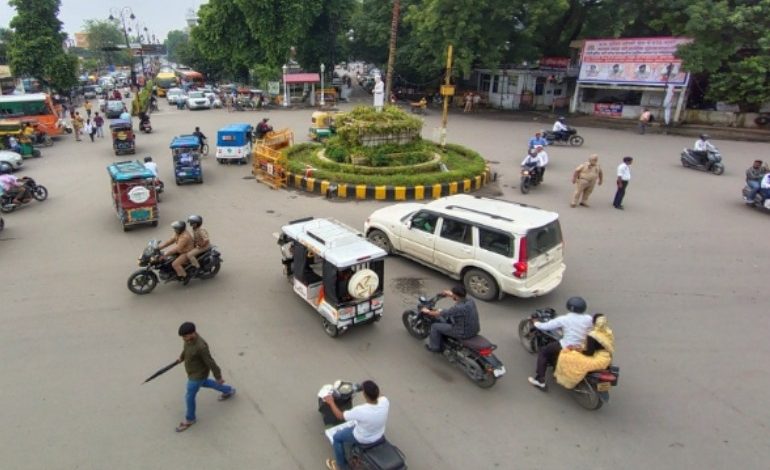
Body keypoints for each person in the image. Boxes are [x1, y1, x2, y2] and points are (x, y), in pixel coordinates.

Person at [174, 322, 235, 433]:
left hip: (197, 375)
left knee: (189, 396)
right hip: (193, 373)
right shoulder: (188, 340)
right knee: (205, 383)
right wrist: (181, 357)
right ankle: (228, 390)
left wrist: (218, 377)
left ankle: (190, 419)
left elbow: (210, 362)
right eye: (183, 337)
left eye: (185, 336)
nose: (184, 339)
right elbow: (186, 349)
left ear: (192, 333)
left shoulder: (201, 347)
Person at [322, 380, 389, 470]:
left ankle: (341, 466)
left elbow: (340, 416)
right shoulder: (385, 401)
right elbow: (380, 395)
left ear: (365, 395)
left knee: (337, 437)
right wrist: (368, 387)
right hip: (378, 434)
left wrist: (331, 402)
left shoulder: (361, 410)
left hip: (363, 438)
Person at [527, 296, 592, 390]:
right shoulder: (589, 318)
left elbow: (545, 326)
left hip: (568, 346)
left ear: (570, 307)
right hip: (584, 346)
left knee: (543, 352)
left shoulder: (564, 319)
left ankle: (540, 381)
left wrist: (535, 322)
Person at [554, 313, 615, 389]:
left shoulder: (593, 335)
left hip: (598, 360)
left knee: (566, 355)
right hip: (607, 358)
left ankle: (569, 379)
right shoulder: (607, 332)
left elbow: (589, 353)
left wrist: (576, 349)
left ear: (594, 323)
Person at [421, 285, 480, 352]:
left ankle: (434, 348)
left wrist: (427, 311)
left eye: (453, 294)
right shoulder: (470, 301)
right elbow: (459, 297)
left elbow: (439, 313)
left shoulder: (458, 308)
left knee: (435, 326)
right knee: (448, 317)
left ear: (456, 295)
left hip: (462, 332)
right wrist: (450, 294)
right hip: (474, 329)